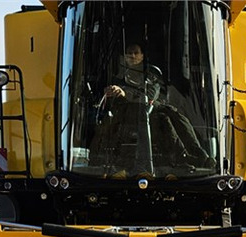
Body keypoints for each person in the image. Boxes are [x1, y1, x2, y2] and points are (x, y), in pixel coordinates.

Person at [90, 44, 211, 174]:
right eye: (129, 53)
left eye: (136, 53)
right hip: (124, 117)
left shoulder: (151, 75)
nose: (132, 56)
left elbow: (150, 95)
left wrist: (125, 94)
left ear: (142, 56)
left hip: (150, 113)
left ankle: (196, 157)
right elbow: (109, 104)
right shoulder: (117, 78)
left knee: (174, 118)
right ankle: (95, 158)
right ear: (124, 57)